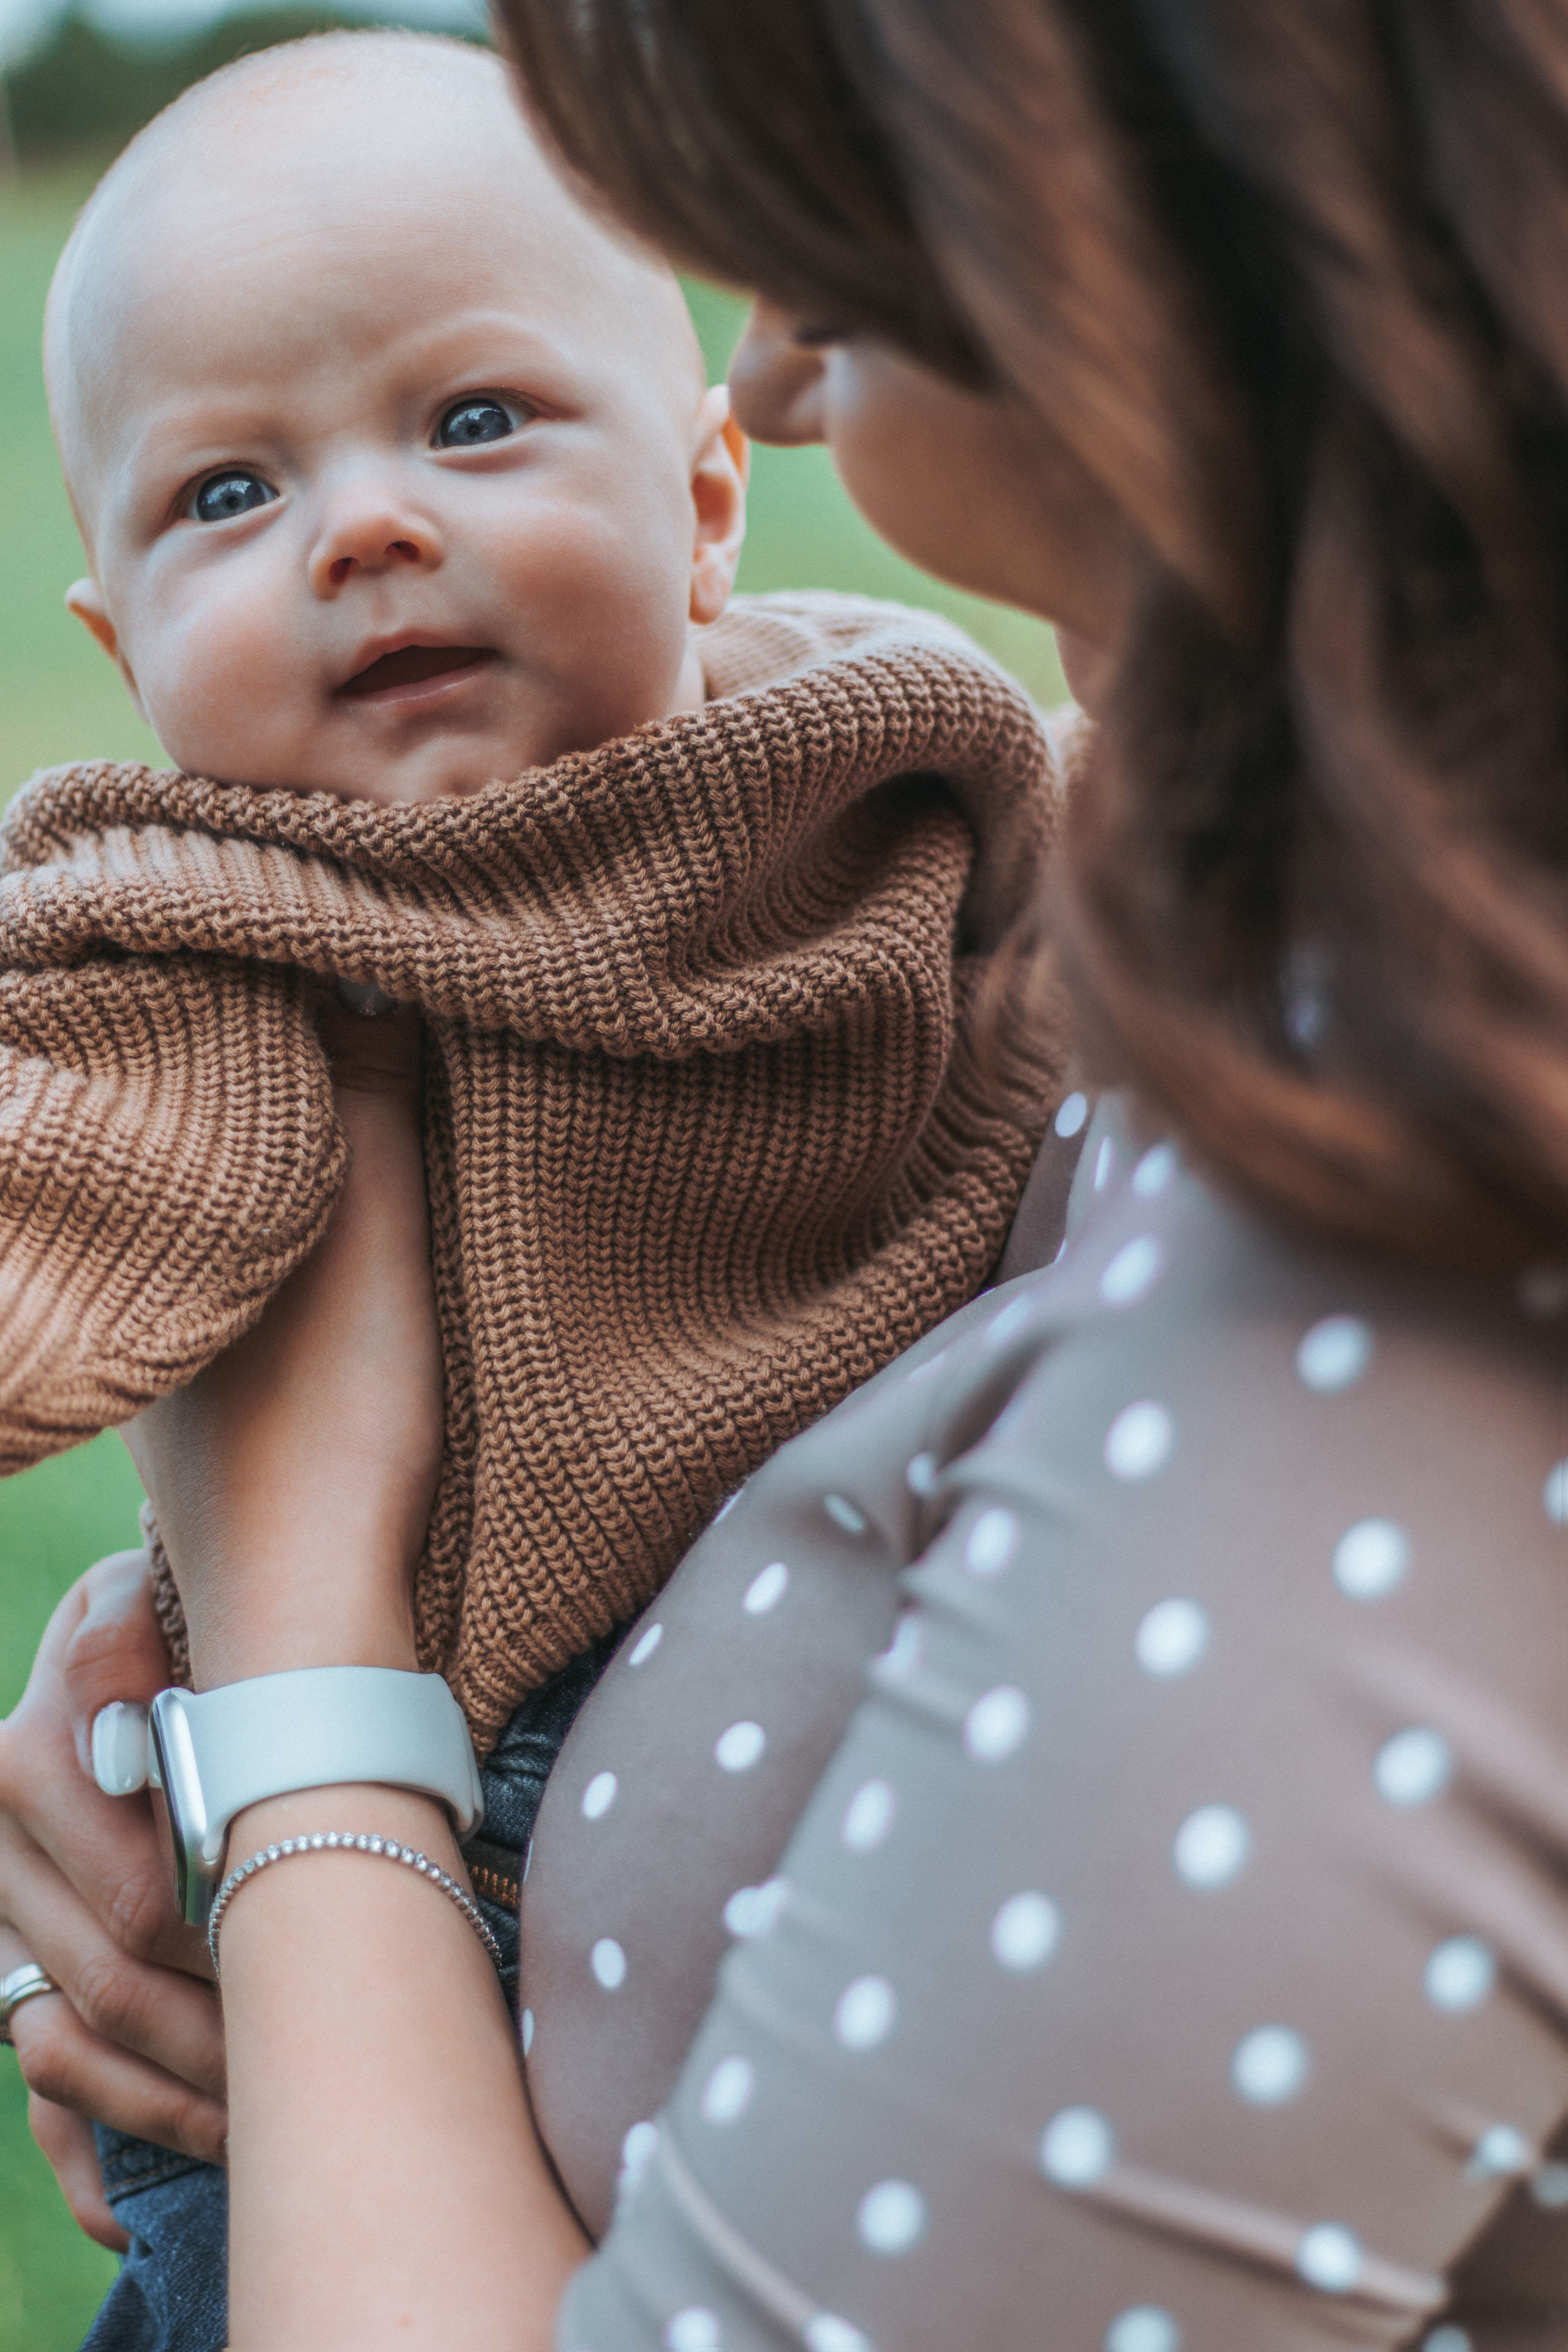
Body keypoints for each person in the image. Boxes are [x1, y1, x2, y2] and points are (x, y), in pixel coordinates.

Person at [9, 0, 1568, 2345]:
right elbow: (74, 1205)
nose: (373, 528)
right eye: (231, 493)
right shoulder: (200, 915)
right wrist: (175, 1687)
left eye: (476, 419)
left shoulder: (911, 795)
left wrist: (304, 1678)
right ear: (121, 646)